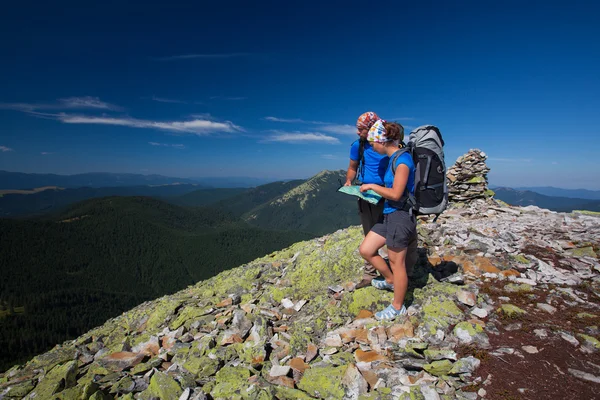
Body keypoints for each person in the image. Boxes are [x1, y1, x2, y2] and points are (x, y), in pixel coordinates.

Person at [358, 120, 418, 320]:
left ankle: (398, 306)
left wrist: (371, 187)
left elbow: (396, 193)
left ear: (382, 142)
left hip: (400, 216)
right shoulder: (394, 158)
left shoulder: (402, 161)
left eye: (373, 142)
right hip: (389, 214)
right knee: (366, 249)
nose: (372, 146)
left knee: (396, 262)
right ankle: (390, 280)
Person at [345, 111, 390, 289]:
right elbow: (352, 167)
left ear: (372, 128)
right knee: (368, 232)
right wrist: (349, 180)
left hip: (387, 195)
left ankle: (393, 271)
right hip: (365, 194)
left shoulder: (387, 145)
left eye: (360, 129)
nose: (357, 132)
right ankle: (370, 274)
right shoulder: (358, 146)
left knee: (389, 232)